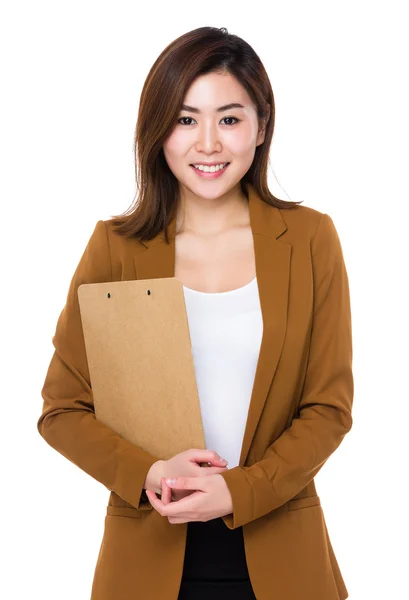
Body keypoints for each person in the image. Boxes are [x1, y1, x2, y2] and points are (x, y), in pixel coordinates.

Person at [37, 26, 354, 600]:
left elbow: (328, 408)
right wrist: (152, 473)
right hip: (147, 559)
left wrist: (242, 490)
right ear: (158, 132)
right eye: (186, 120)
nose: (208, 143)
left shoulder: (310, 239)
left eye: (229, 119)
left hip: (283, 555)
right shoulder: (116, 247)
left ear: (261, 127)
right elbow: (62, 409)